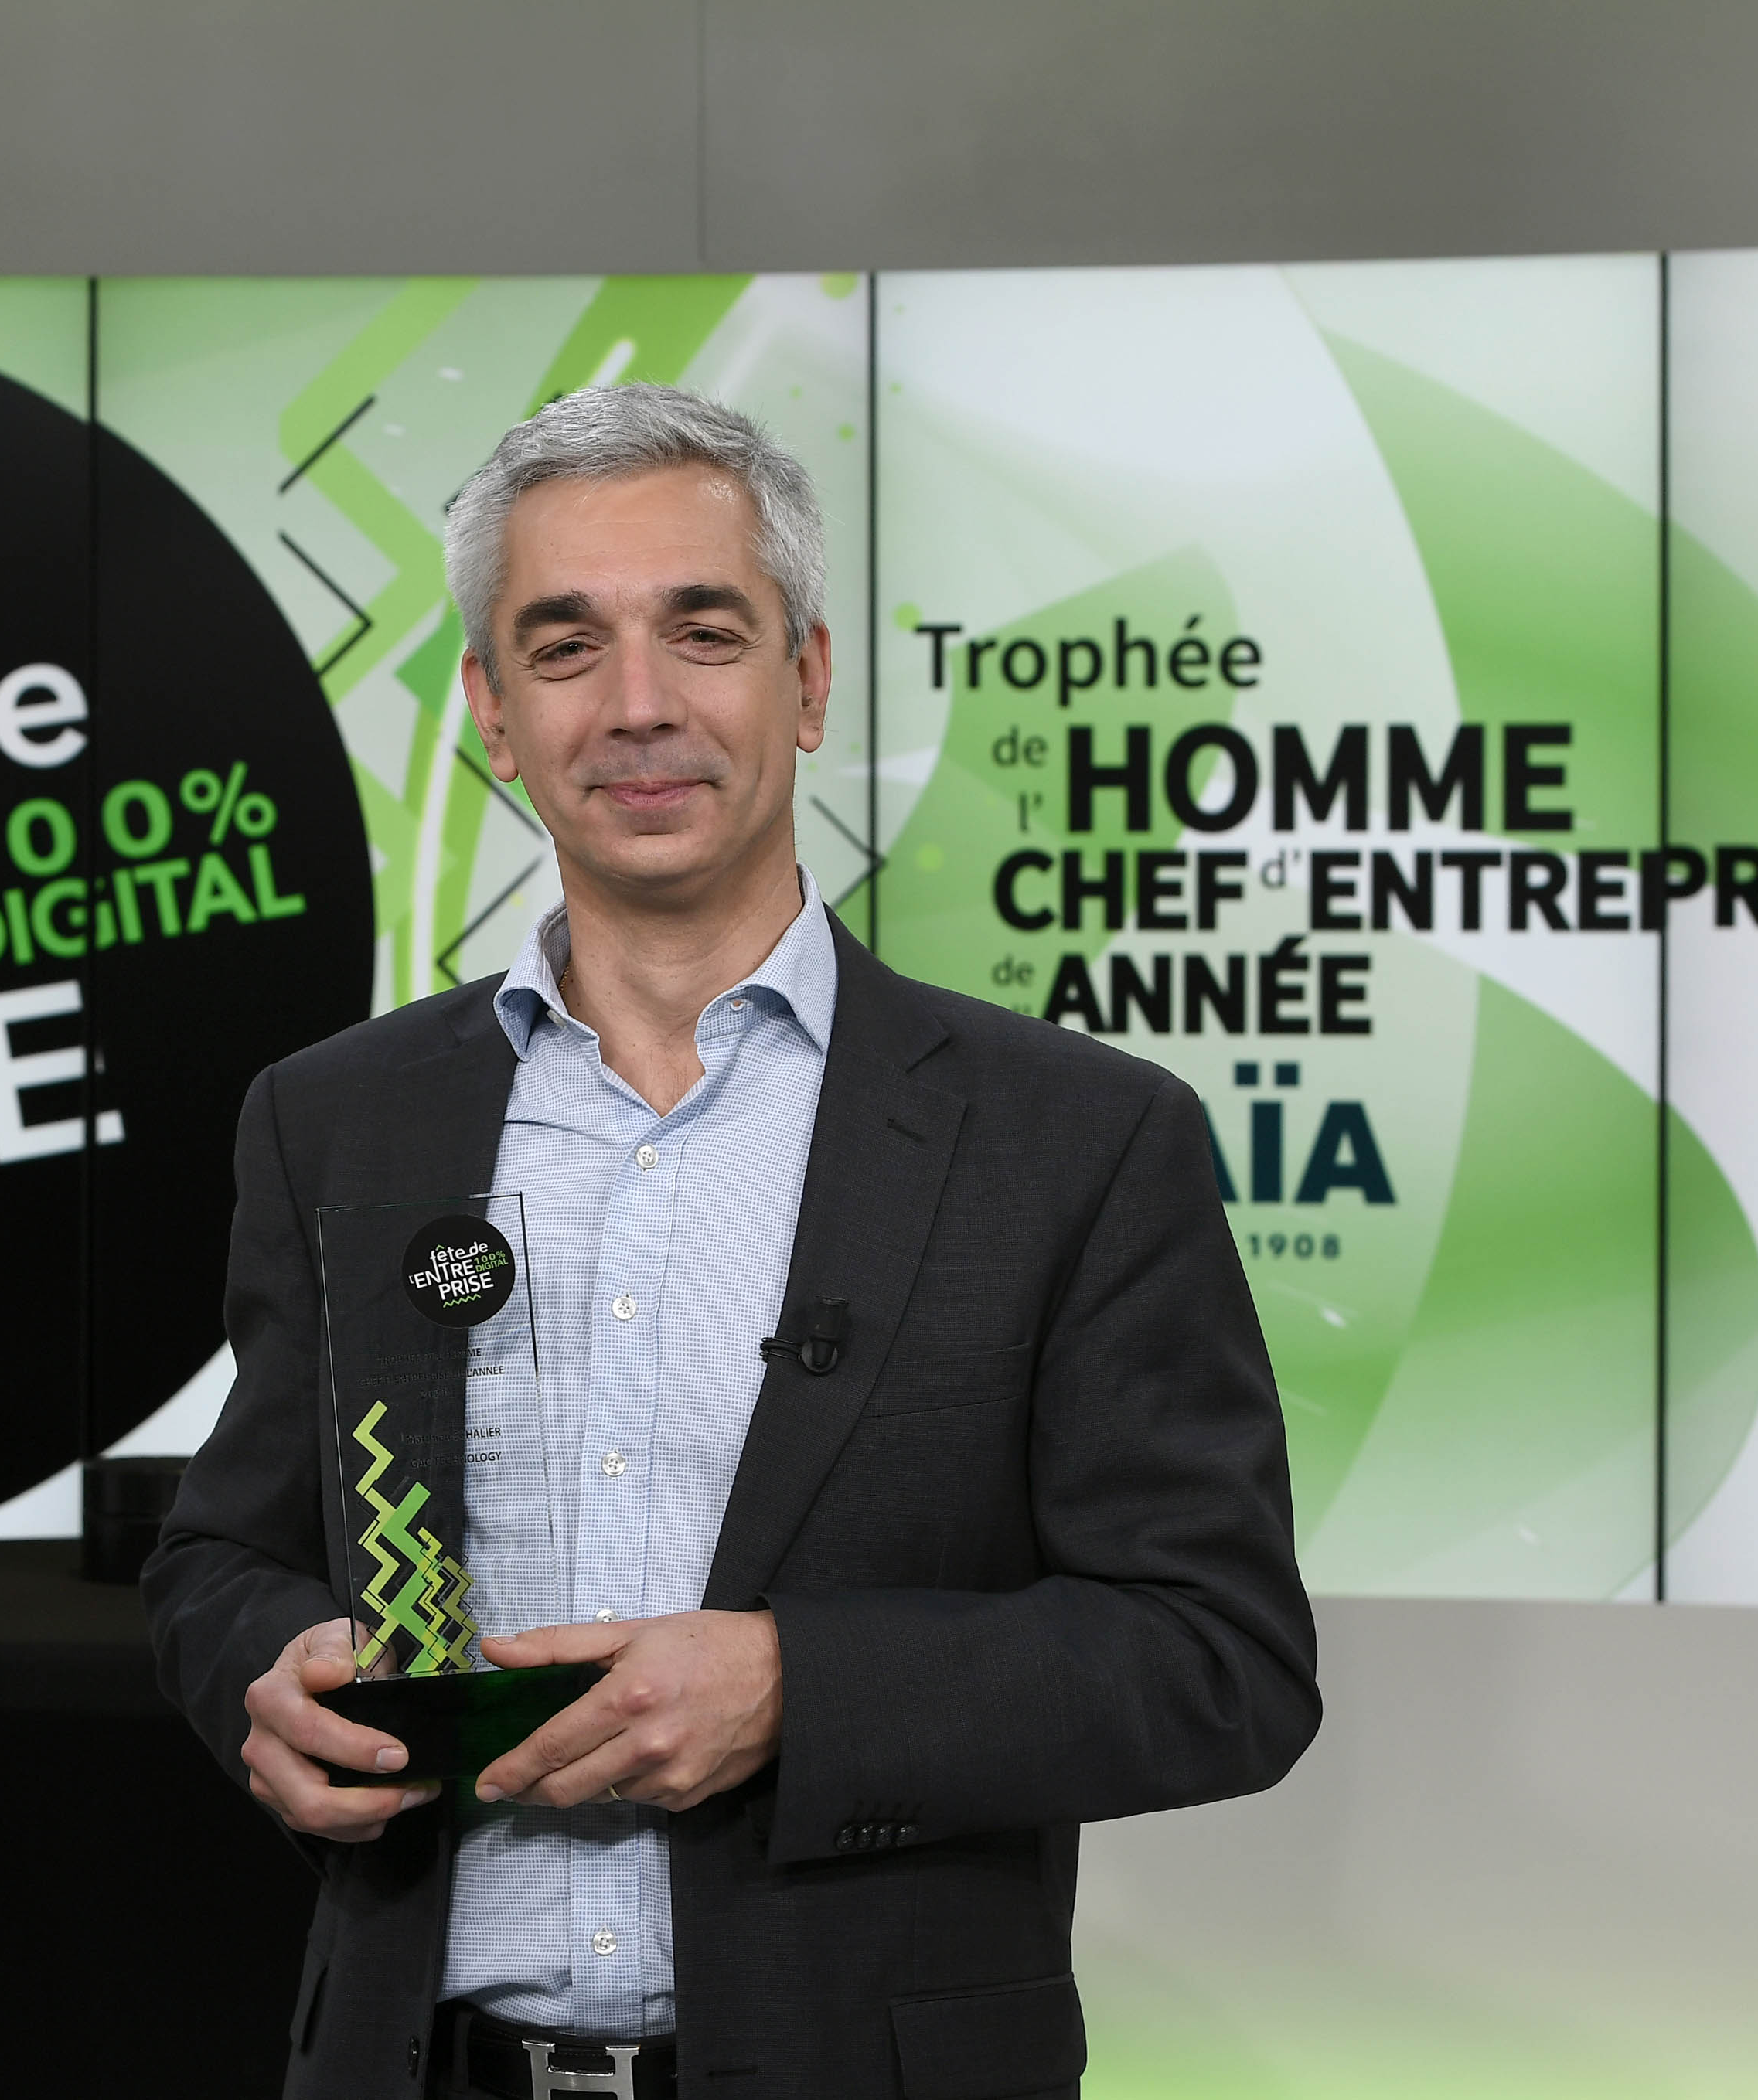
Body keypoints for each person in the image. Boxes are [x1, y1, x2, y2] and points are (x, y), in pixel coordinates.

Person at [144, 383, 1319, 2100]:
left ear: (809, 680)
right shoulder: (331, 1120)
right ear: (489, 712)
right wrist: (270, 1672)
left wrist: (798, 1690)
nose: (638, 704)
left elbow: (1219, 1658)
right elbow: (220, 1555)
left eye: (702, 632)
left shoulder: (1075, 1138)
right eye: (564, 647)